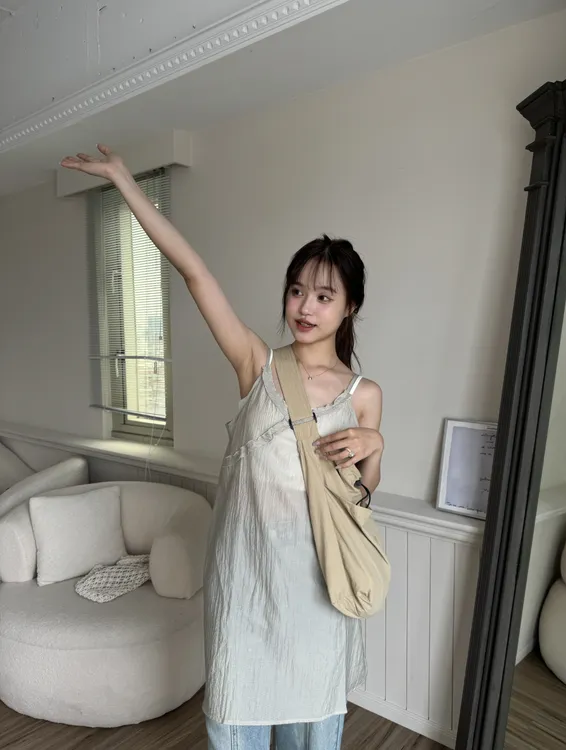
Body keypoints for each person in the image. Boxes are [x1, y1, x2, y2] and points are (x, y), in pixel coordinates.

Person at [61, 144, 385, 750]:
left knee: (311, 729)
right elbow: (196, 274)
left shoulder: (364, 395)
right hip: (245, 583)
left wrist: (375, 443)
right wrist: (125, 182)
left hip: (317, 587)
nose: (305, 307)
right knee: (236, 720)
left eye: (324, 296)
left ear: (350, 308)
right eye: (297, 291)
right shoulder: (257, 365)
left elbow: (360, 496)